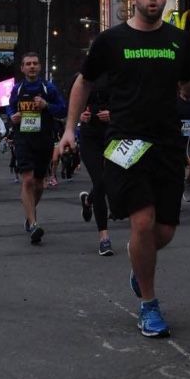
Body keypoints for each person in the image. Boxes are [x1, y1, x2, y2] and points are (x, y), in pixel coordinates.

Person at [58, 0, 190, 338]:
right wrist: (69, 130)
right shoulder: (111, 40)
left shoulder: (178, 40)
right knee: (142, 221)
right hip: (125, 141)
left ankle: (140, 263)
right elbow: (84, 82)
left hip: (167, 144)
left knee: (164, 230)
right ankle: (149, 306)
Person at [6, 52, 66, 244]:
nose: (31, 66)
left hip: (44, 140)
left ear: (39, 67)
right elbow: (10, 108)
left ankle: (29, 213)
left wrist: (47, 105)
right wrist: (11, 116)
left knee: (39, 184)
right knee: (28, 179)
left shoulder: (48, 88)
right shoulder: (18, 88)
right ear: (22, 68)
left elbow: (63, 109)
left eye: (35, 63)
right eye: (27, 64)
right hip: (23, 139)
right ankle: (33, 224)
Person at [77, 74, 114, 256]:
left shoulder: (118, 75)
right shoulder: (83, 78)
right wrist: (80, 115)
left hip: (113, 134)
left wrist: (113, 113)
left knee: (110, 179)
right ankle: (104, 238)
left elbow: (132, 104)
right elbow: (72, 105)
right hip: (89, 137)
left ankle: (88, 200)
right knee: (99, 182)